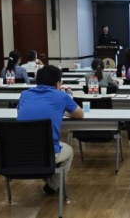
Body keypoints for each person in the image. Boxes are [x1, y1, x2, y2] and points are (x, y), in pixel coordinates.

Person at [16, 65, 84, 195]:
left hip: (19, 153)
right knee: (69, 151)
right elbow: (80, 114)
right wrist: (63, 112)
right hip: (46, 153)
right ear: (57, 83)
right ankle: (53, 186)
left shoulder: (25, 94)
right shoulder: (61, 96)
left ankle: (49, 177)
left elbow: (20, 113)